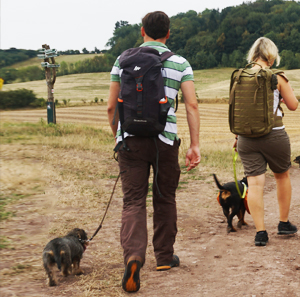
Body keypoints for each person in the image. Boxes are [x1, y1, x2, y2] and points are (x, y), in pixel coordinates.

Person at [106, 11, 200, 292]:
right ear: (168, 34)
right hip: (165, 140)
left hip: (131, 140)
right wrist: (195, 145)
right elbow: (192, 106)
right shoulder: (180, 63)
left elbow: (111, 107)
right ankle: (163, 257)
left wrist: (119, 137)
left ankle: (134, 256)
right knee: (164, 197)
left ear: (142, 31)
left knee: (133, 200)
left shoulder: (122, 61)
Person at [232, 37, 300, 247]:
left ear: (253, 54)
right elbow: (293, 105)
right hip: (274, 134)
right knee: (282, 176)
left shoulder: (241, 76)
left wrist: (237, 137)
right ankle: (283, 223)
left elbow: (239, 108)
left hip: (246, 137)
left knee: (254, 184)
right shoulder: (277, 77)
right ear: (271, 56)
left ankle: (260, 232)